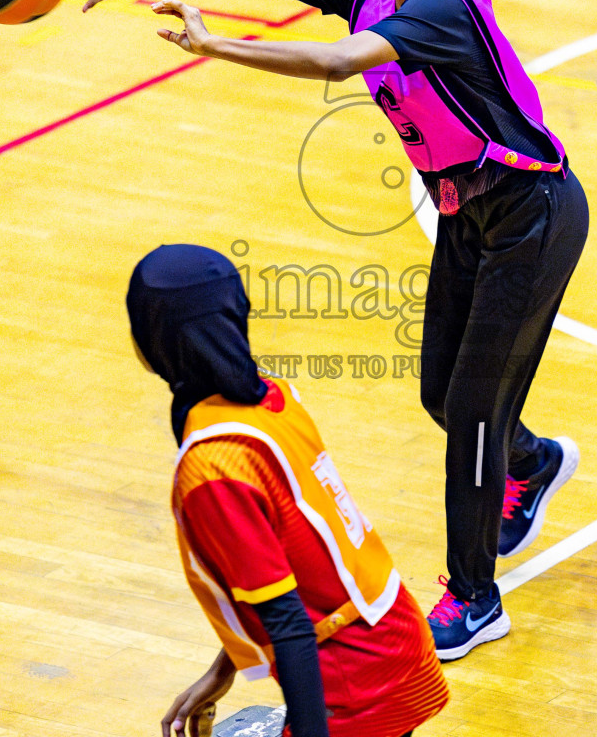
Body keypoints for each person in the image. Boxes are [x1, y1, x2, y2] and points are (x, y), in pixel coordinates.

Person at [77, 0, 588, 660]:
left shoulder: (447, 7)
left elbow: (336, 63)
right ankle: (536, 461)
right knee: (443, 396)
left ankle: (475, 597)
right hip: (466, 214)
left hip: (533, 214)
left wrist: (215, 48)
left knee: (474, 415)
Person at [129, 244, 448, 737]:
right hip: (396, 644)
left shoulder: (213, 467)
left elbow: (289, 623)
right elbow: (292, 570)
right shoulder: (272, 399)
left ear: (151, 339)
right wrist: (225, 668)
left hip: (355, 686)